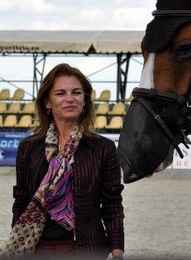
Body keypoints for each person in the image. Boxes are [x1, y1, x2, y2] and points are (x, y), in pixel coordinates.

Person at [1, 63, 124, 258]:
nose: (70, 99)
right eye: (60, 93)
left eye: (76, 92)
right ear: (47, 102)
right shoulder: (28, 148)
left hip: (86, 248)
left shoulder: (103, 148)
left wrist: (118, 252)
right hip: (37, 249)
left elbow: (112, 204)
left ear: (84, 101)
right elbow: (21, 201)